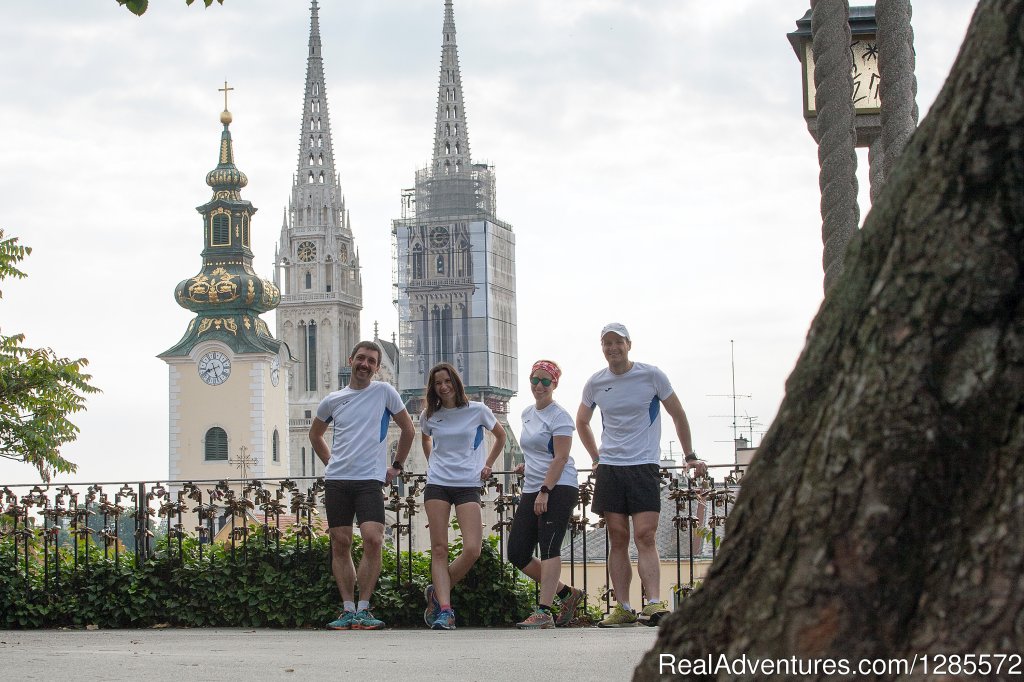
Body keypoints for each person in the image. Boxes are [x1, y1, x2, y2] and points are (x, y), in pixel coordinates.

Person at [576, 323, 707, 627]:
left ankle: (654, 603)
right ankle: (622, 607)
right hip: (611, 468)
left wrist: (689, 456)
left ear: (629, 345)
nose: (612, 348)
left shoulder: (651, 375)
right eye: (606, 343)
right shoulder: (595, 382)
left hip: (644, 465)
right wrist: (596, 458)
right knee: (617, 537)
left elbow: (678, 413)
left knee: (645, 535)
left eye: (618, 342)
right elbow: (582, 421)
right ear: (602, 347)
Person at [309, 341, 415, 630]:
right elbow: (315, 434)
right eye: (361, 358)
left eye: (371, 361)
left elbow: (408, 429)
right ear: (351, 360)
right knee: (340, 542)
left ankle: (365, 608)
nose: (365, 364)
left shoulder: (384, 392)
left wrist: (397, 466)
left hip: (370, 479)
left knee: (373, 538)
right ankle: (347, 609)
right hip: (338, 480)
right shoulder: (333, 399)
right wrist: (330, 462)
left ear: (377, 367)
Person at [420, 362, 506, 630]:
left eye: (447, 381)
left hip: (468, 483)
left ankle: (436, 591)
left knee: (472, 548)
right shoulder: (430, 415)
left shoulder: (477, 410)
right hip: (438, 484)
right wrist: (431, 461)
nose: (443, 386)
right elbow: (425, 438)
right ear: (433, 388)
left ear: (455, 382)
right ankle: (445, 610)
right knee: (439, 548)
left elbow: (500, 436)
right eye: (438, 383)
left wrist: (488, 464)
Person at [508, 360, 586, 629]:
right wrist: (527, 466)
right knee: (517, 552)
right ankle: (568, 594)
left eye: (545, 381)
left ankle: (544, 611)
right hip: (533, 485)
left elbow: (561, 457)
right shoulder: (527, 413)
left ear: (554, 384)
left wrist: (545, 491)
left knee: (550, 546)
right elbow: (540, 452)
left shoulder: (559, 416)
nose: (539, 386)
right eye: (535, 380)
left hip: (559, 486)